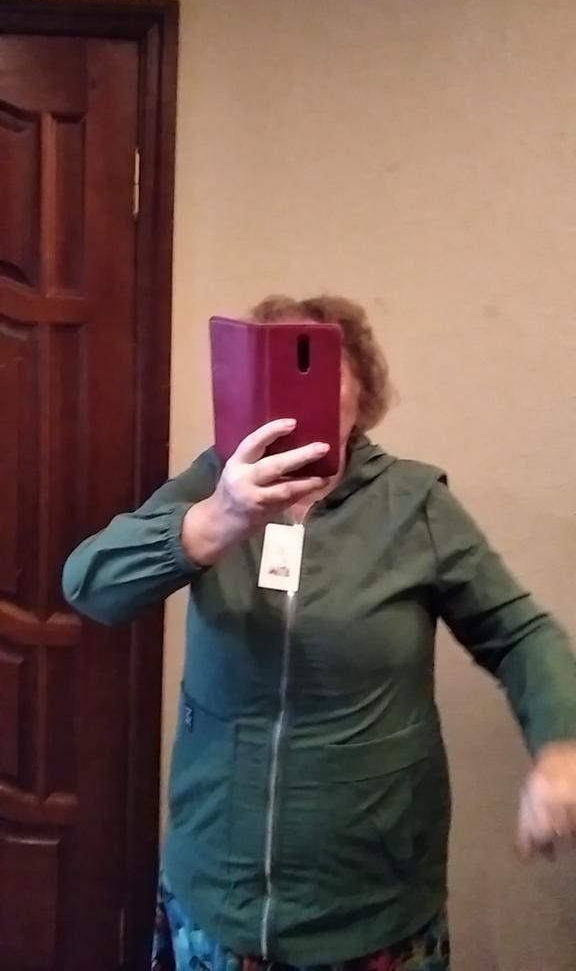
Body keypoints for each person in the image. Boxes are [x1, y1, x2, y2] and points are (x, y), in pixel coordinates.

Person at [62, 295, 576, 971]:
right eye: (274, 369)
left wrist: (561, 747)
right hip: (216, 889)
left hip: (372, 905)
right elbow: (91, 585)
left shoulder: (414, 503)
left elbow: (520, 633)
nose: (294, 391)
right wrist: (216, 521)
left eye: (319, 365)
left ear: (364, 393)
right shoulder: (213, 483)